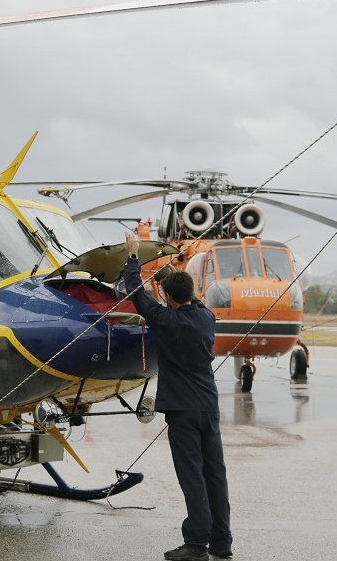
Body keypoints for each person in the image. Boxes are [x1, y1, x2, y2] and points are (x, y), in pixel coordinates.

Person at [122, 230, 232, 561]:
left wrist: (132, 255)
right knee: (215, 474)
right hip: (208, 408)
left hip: (183, 412)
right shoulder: (205, 317)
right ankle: (222, 541)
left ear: (167, 297)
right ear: (192, 294)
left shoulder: (164, 320)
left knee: (192, 476)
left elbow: (136, 293)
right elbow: (184, 298)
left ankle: (197, 543)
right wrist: (171, 280)